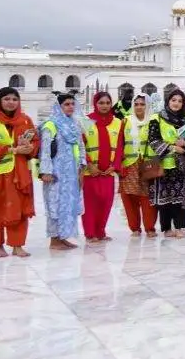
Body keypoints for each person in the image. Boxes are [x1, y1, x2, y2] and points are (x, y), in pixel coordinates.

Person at [0, 87, 38, 257]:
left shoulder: (25, 120)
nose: (11, 102)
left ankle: (17, 245)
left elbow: (35, 142)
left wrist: (30, 148)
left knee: (19, 209)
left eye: (14, 99)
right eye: (6, 99)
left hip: (20, 173)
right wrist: (13, 150)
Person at [147, 89, 185, 239]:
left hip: (181, 167)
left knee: (179, 199)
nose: (176, 103)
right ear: (168, 101)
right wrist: (173, 147)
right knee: (165, 200)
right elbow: (153, 141)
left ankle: (180, 227)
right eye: (173, 100)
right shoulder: (157, 118)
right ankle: (167, 228)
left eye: (180, 101)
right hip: (162, 166)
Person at [40, 92, 85, 250]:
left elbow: (80, 147)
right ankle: (54, 240)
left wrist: (82, 165)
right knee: (55, 205)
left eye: (72, 104)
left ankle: (63, 236)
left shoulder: (74, 125)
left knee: (69, 205)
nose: (71, 107)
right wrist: (45, 171)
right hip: (56, 174)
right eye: (66, 104)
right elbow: (44, 150)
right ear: (58, 107)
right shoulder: (50, 125)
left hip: (71, 173)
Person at [80, 91, 121, 243]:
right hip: (91, 172)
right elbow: (81, 146)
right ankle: (90, 233)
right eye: (101, 103)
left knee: (106, 202)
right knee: (90, 204)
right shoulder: (86, 121)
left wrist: (114, 166)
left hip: (108, 172)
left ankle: (101, 231)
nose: (104, 106)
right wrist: (89, 164)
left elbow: (120, 147)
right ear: (95, 104)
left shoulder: (117, 122)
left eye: (107, 103)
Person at [118, 93, 157, 236]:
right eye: (136, 104)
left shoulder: (154, 120)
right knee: (129, 197)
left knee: (148, 197)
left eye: (142, 104)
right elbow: (119, 143)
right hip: (129, 163)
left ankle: (150, 227)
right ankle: (134, 227)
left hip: (148, 163)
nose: (139, 107)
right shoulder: (126, 121)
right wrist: (119, 163)